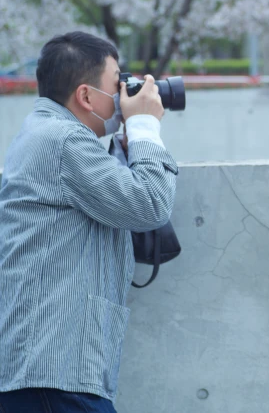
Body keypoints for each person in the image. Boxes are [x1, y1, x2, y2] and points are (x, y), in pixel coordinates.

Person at [0, 32, 178, 412]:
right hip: (53, 373)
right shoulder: (63, 141)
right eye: (118, 83)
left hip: (45, 370)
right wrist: (145, 126)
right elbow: (149, 204)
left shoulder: (44, 134)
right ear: (85, 96)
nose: (125, 94)